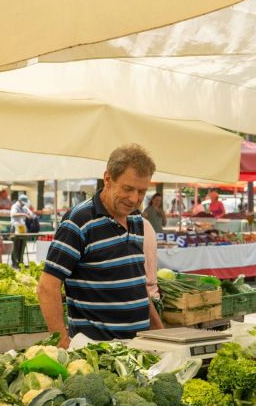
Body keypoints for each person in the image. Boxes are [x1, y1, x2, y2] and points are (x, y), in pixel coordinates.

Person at [38, 144, 165, 348]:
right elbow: (47, 287)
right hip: (98, 354)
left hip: (137, 349)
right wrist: (63, 345)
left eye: (142, 191)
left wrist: (161, 334)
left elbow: (136, 285)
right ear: (108, 179)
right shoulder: (78, 222)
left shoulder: (136, 219)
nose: (135, 199)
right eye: (128, 188)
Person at [10, 195, 36, 268]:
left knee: (23, 245)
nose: (24, 204)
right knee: (15, 246)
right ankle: (15, 262)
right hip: (15, 227)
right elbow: (13, 214)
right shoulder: (14, 206)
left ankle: (21, 262)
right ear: (20, 201)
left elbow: (31, 214)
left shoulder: (25, 207)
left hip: (23, 228)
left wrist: (30, 215)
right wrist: (23, 214)